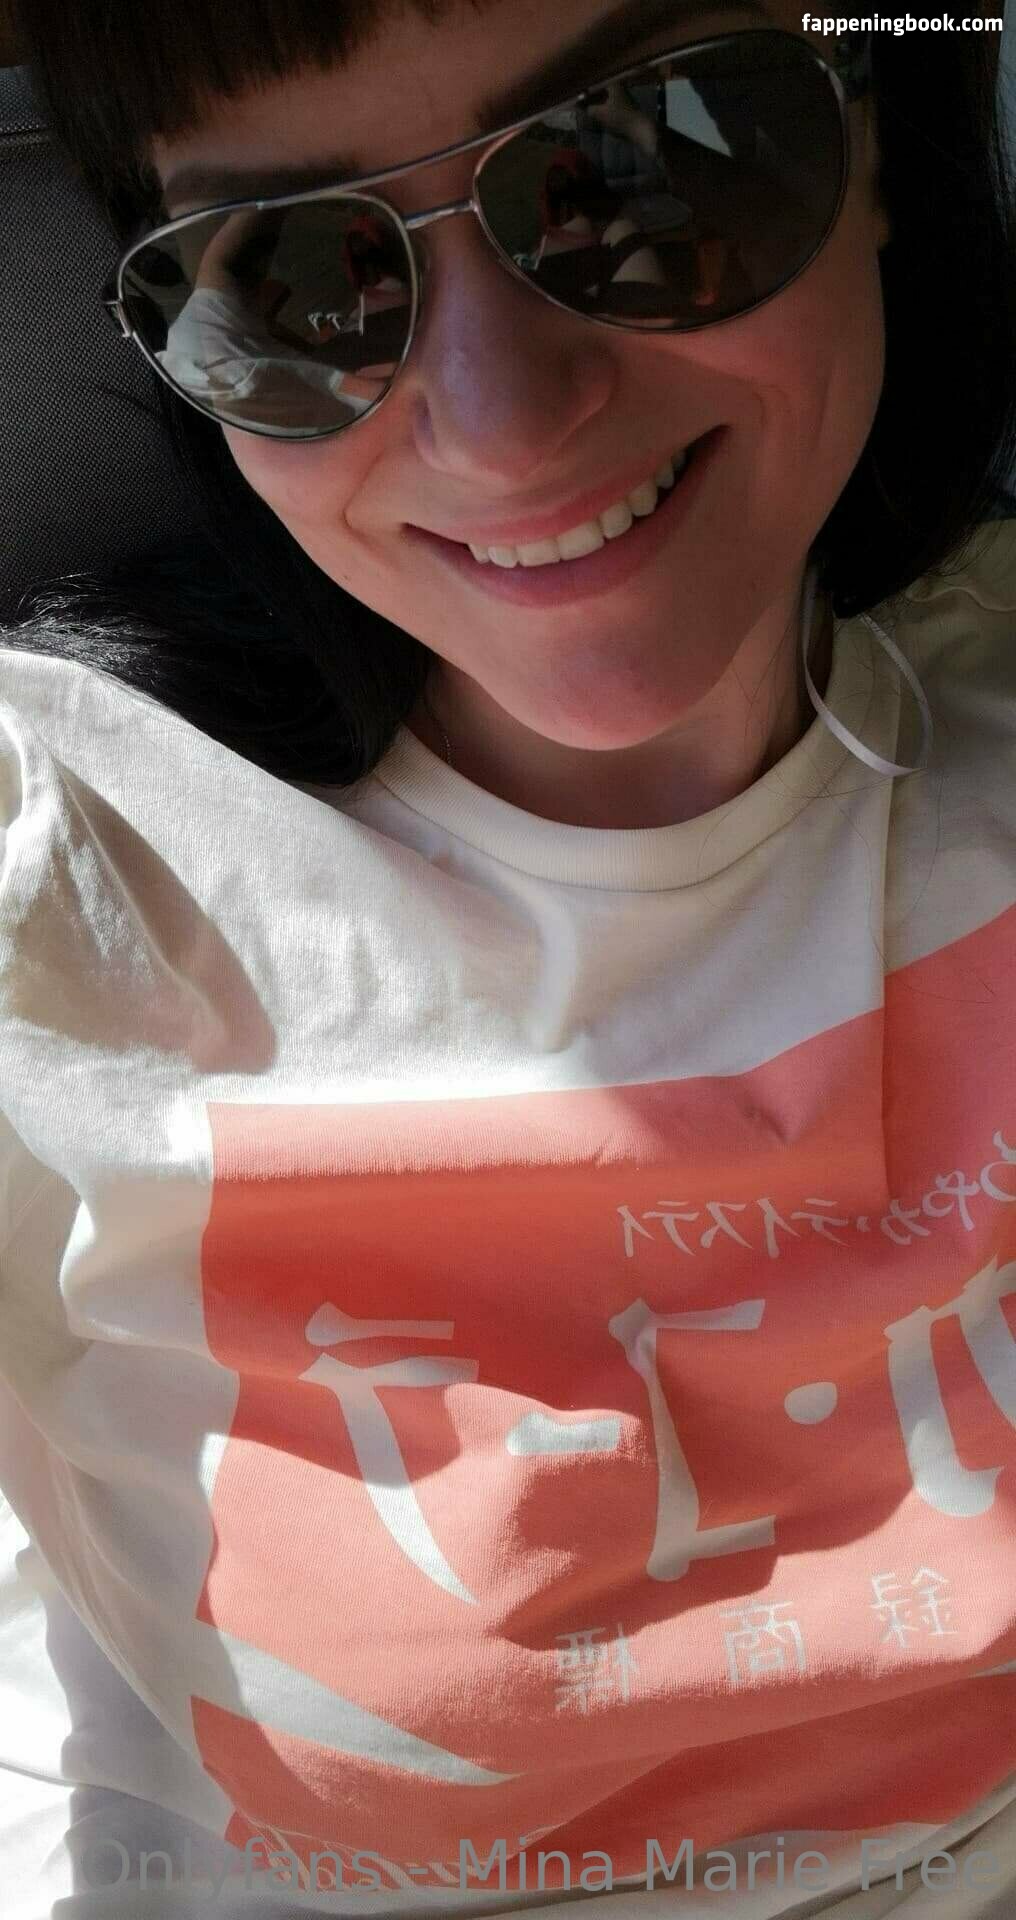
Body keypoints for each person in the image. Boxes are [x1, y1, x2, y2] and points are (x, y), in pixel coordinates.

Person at [1, 2, 1016, 1916]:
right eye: (299, 283)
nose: (501, 417)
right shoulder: (54, 863)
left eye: (642, 163)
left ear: (881, 135)